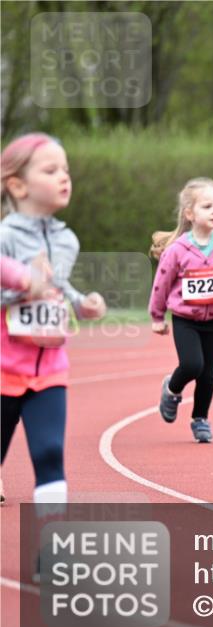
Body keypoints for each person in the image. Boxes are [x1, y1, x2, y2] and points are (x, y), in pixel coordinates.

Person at [1, 133, 107, 510]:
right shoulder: (4, 237)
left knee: (49, 453)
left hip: (50, 370)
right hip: (3, 371)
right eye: (50, 170)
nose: (64, 177)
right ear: (17, 185)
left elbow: (57, 287)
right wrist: (21, 289)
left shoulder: (67, 240)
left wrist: (82, 304)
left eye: (66, 169)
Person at [149, 178, 213, 444]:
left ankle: (200, 418)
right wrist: (157, 316)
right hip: (186, 319)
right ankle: (172, 388)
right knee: (193, 365)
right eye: (208, 206)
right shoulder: (178, 249)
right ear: (190, 214)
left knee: (208, 373)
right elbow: (162, 283)